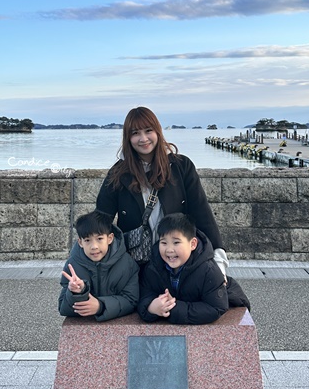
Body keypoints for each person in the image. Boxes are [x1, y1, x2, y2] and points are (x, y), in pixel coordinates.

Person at [96, 106, 228, 274]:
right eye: (135, 133)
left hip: (178, 261)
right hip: (136, 264)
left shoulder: (181, 166)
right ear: (128, 138)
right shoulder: (119, 173)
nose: (143, 139)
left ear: (157, 131)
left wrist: (218, 261)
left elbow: (202, 213)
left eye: (148, 130)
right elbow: (101, 219)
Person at [137, 213, 228, 325]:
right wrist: (151, 307)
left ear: (193, 244)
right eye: (164, 243)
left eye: (176, 243)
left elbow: (216, 308)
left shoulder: (208, 271)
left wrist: (173, 308)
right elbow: (145, 293)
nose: (169, 250)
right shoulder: (153, 266)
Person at [58, 210, 139, 321]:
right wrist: (77, 292)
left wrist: (101, 306)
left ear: (109, 238)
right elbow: (63, 309)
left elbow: (131, 300)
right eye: (87, 240)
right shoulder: (73, 265)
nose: (94, 246)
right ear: (80, 242)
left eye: (99, 239)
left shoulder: (127, 264)